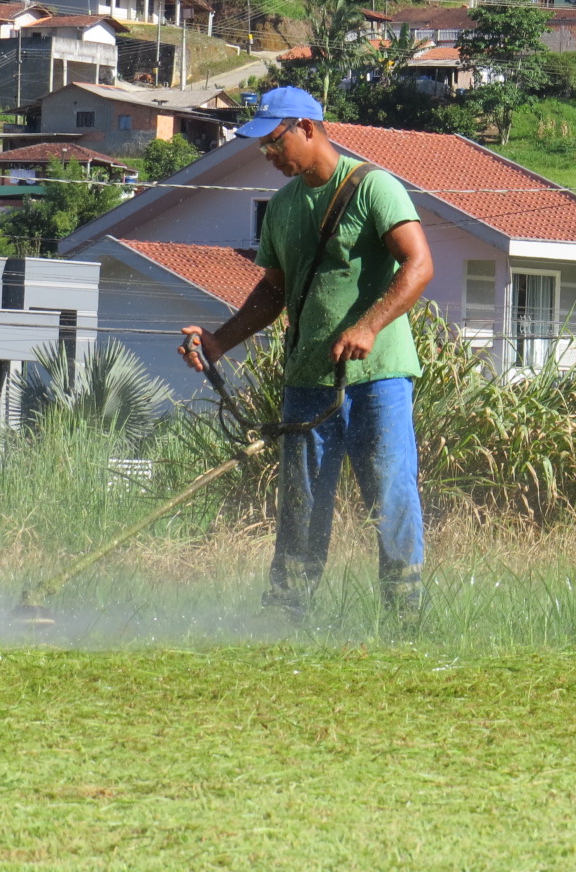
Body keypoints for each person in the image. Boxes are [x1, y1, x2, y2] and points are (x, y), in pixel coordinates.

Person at [179, 86, 434, 617]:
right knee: (301, 506)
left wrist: (367, 327)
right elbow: (273, 292)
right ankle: (286, 618)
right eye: (261, 148)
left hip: (377, 379)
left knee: (389, 499)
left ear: (307, 128)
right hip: (307, 384)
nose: (268, 156)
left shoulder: (373, 187)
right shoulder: (282, 209)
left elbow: (419, 266)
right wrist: (220, 340)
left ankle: (406, 619)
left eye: (273, 143)